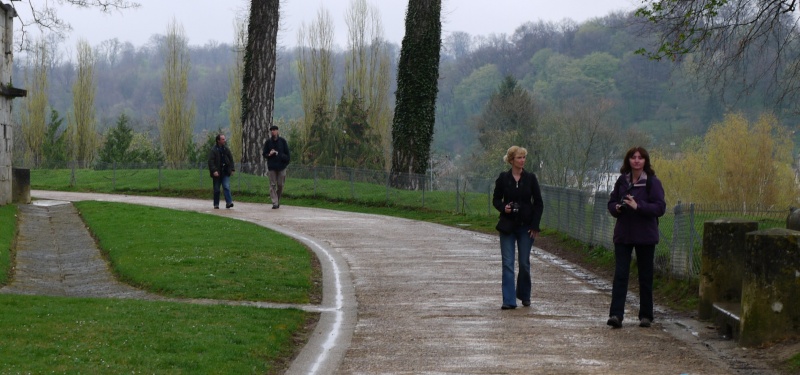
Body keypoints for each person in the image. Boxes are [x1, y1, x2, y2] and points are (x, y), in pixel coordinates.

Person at [606, 146, 666, 328]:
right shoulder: (622, 181)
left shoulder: (652, 183)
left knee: (645, 276)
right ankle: (616, 315)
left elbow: (660, 208)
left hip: (645, 235)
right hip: (624, 234)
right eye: (633, 157)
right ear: (628, 161)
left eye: (640, 158)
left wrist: (638, 206)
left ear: (645, 161)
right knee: (621, 275)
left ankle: (646, 315)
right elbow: (611, 202)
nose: (637, 160)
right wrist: (616, 208)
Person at [492, 146, 544, 310]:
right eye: (519, 158)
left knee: (524, 263)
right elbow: (496, 199)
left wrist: (535, 225)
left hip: (525, 227)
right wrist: (503, 208)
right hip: (507, 226)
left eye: (524, 158)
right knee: (507, 263)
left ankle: (525, 295)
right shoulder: (503, 178)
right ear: (512, 160)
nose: (522, 160)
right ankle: (509, 300)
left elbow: (538, 203)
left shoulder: (530, 178)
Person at [262, 124, 290, 209]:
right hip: (272, 167)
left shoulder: (282, 141)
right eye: (271, 130)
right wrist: (269, 154)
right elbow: (264, 154)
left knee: (280, 185)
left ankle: (277, 199)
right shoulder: (268, 142)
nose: (273, 131)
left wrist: (279, 155)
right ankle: (275, 202)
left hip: (281, 167)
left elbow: (288, 155)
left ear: (277, 131)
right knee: (272, 185)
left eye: (274, 130)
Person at [208, 133, 235, 209]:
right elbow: (210, 162)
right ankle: (216, 204)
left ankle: (229, 202)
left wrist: (232, 169)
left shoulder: (226, 149)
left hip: (225, 172)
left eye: (224, 139)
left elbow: (231, 159)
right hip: (217, 173)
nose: (224, 140)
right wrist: (214, 171)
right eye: (223, 139)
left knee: (226, 186)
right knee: (216, 189)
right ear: (218, 140)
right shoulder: (213, 150)